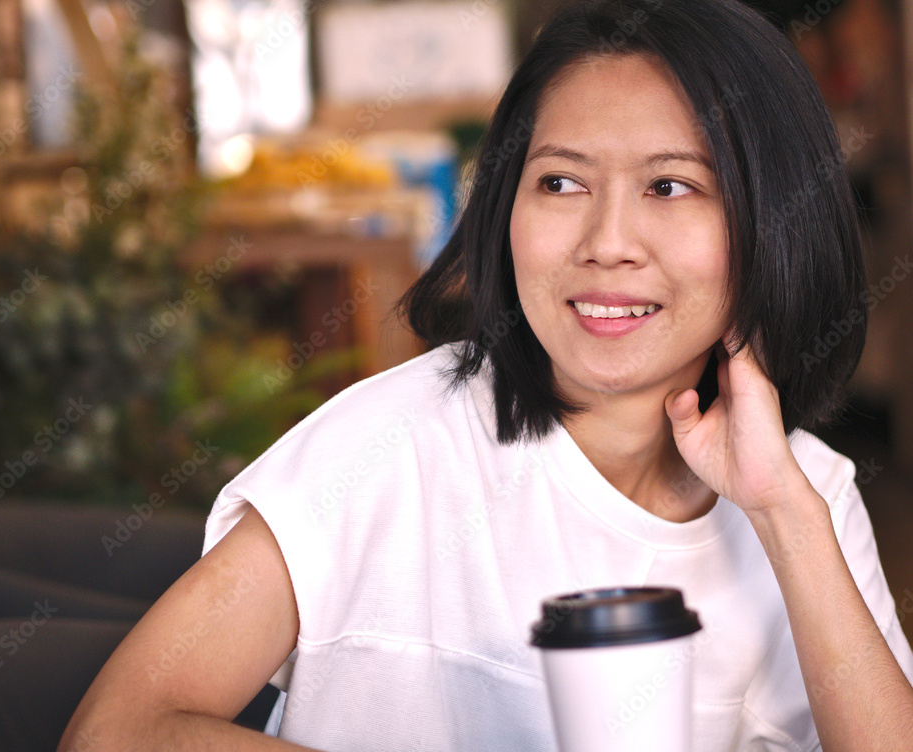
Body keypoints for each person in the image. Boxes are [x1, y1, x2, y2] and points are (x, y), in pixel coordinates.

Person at [58, 0, 913, 749]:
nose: (607, 241)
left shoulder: (810, 498)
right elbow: (116, 731)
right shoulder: (388, 450)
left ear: (774, 221)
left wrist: (783, 513)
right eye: (562, 181)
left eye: (670, 186)